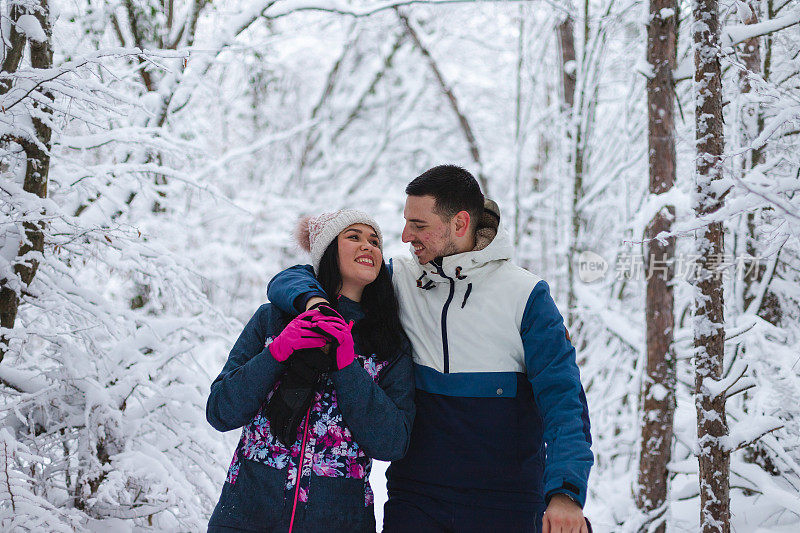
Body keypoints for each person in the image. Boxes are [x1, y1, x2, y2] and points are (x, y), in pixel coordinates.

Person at [267, 166, 593, 533]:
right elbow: (296, 275)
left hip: (507, 505)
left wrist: (565, 493)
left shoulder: (526, 297)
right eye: (407, 223)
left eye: (419, 226)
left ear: (459, 224)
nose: (406, 236)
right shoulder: (401, 282)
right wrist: (312, 301)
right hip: (415, 503)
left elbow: (563, 400)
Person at [206, 209, 415, 533]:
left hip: (340, 521)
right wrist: (276, 353)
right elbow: (221, 411)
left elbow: (391, 443)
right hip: (246, 517)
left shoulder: (389, 344)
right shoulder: (273, 319)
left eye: (375, 241)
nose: (369, 247)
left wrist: (348, 368)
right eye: (354, 237)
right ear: (328, 250)